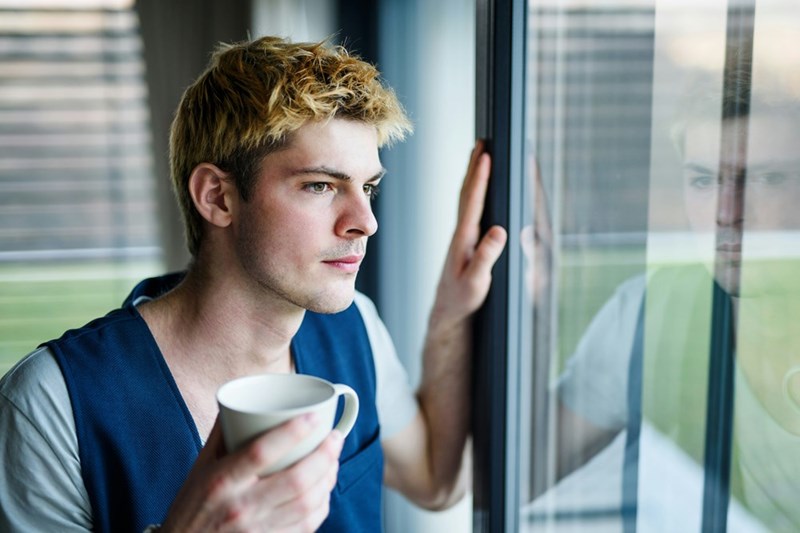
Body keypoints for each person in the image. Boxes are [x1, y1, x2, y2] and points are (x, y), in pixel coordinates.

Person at [0, 36, 508, 532]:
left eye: (368, 187)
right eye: (320, 185)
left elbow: (436, 482)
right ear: (217, 198)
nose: (366, 222)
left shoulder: (358, 327)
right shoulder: (50, 403)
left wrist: (450, 317)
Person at [538, 54, 800, 531]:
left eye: (766, 178)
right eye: (704, 179)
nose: (728, 212)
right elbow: (508, 476)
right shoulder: (647, 313)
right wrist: (530, 308)